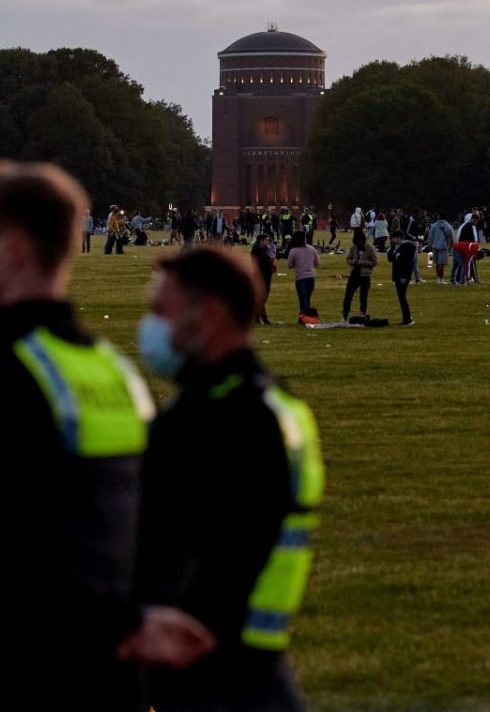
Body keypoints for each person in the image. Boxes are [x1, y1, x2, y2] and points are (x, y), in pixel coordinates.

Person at [0, 161, 213, 711]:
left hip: (26, 665)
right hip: (115, 669)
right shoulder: (113, 368)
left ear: (11, 250)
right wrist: (136, 619)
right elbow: (164, 518)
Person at [133, 246, 324, 712]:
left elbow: (209, 548)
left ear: (211, 315)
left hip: (208, 665)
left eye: (162, 311)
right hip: (252, 660)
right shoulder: (278, 406)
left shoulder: (219, 418)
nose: (151, 325)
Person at [342, 227, 378, 322]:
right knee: (348, 296)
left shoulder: (370, 248)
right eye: (357, 241)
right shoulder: (353, 248)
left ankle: (362, 314)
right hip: (354, 275)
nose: (359, 243)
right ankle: (344, 316)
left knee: (363, 296)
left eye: (360, 241)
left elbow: (374, 262)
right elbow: (348, 259)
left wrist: (362, 262)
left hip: (365, 276)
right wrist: (353, 261)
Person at [285, 230, 319, 316]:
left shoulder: (293, 251)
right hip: (311, 276)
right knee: (307, 297)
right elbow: (318, 262)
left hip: (300, 277)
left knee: (303, 298)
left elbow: (289, 265)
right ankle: (307, 315)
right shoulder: (312, 248)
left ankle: (304, 315)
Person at [388, 229, 416, 325]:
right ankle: (406, 317)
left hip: (403, 276)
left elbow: (408, 263)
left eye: (393, 238)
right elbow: (390, 258)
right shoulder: (396, 247)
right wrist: (393, 247)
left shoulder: (407, 247)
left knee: (402, 296)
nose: (392, 240)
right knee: (400, 297)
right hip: (397, 276)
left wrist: (405, 276)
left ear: (399, 237)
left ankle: (408, 319)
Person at [250, 233, 274, 325]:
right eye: (267, 240)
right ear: (261, 241)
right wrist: (268, 256)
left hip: (267, 276)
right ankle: (262, 318)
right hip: (260, 276)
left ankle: (258, 317)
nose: (268, 242)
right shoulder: (256, 251)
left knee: (263, 298)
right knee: (262, 298)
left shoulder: (265, 249)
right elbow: (260, 261)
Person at [427, 213, 454, 284]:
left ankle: (438, 278)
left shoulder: (433, 226)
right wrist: (450, 247)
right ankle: (441, 279)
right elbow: (451, 239)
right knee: (441, 264)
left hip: (434, 246)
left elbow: (430, 236)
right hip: (443, 246)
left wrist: (429, 245)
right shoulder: (448, 226)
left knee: (437, 263)